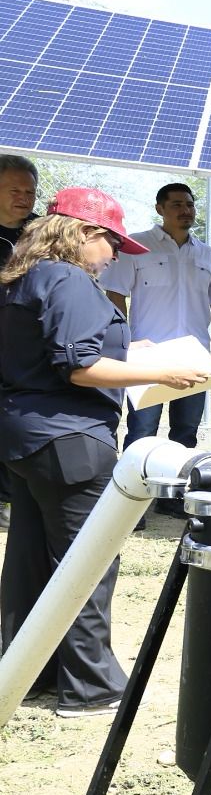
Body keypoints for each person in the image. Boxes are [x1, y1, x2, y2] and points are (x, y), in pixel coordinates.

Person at [0, 189, 210, 716]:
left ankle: (27, 673)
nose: (115, 255)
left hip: (28, 436)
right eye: (111, 243)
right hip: (70, 438)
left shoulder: (25, 275)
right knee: (87, 561)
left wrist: (132, 351)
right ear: (83, 233)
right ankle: (90, 687)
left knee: (30, 559)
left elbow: (55, 350)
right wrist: (162, 372)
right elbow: (78, 366)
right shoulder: (69, 278)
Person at [100, 183, 211, 518]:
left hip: (194, 357)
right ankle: (130, 502)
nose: (185, 211)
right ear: (159, 208)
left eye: (189, 204)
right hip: (148, 356)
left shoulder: (208, 255)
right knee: (142, 431)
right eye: (176, 205)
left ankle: (172, 498)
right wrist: (124, 342)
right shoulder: (136, 247)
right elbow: (115, 295)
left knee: (185, 432)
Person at [0, 153, 40, 532]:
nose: (24, 198)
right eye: (14, 190)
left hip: (25, 346)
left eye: (29, 192)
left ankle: (11, 498)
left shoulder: (41, 234)